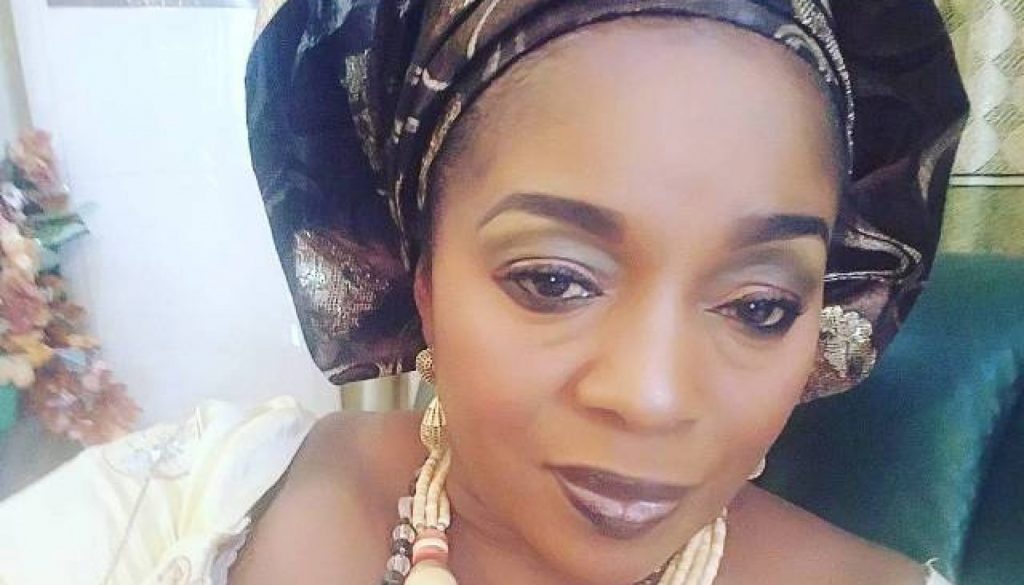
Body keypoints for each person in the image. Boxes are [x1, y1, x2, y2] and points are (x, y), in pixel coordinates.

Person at [0, 0, 969, 584]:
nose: (651, 395)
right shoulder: (174, 509)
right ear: (418, 274)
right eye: (554, 280)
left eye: (759, 307)